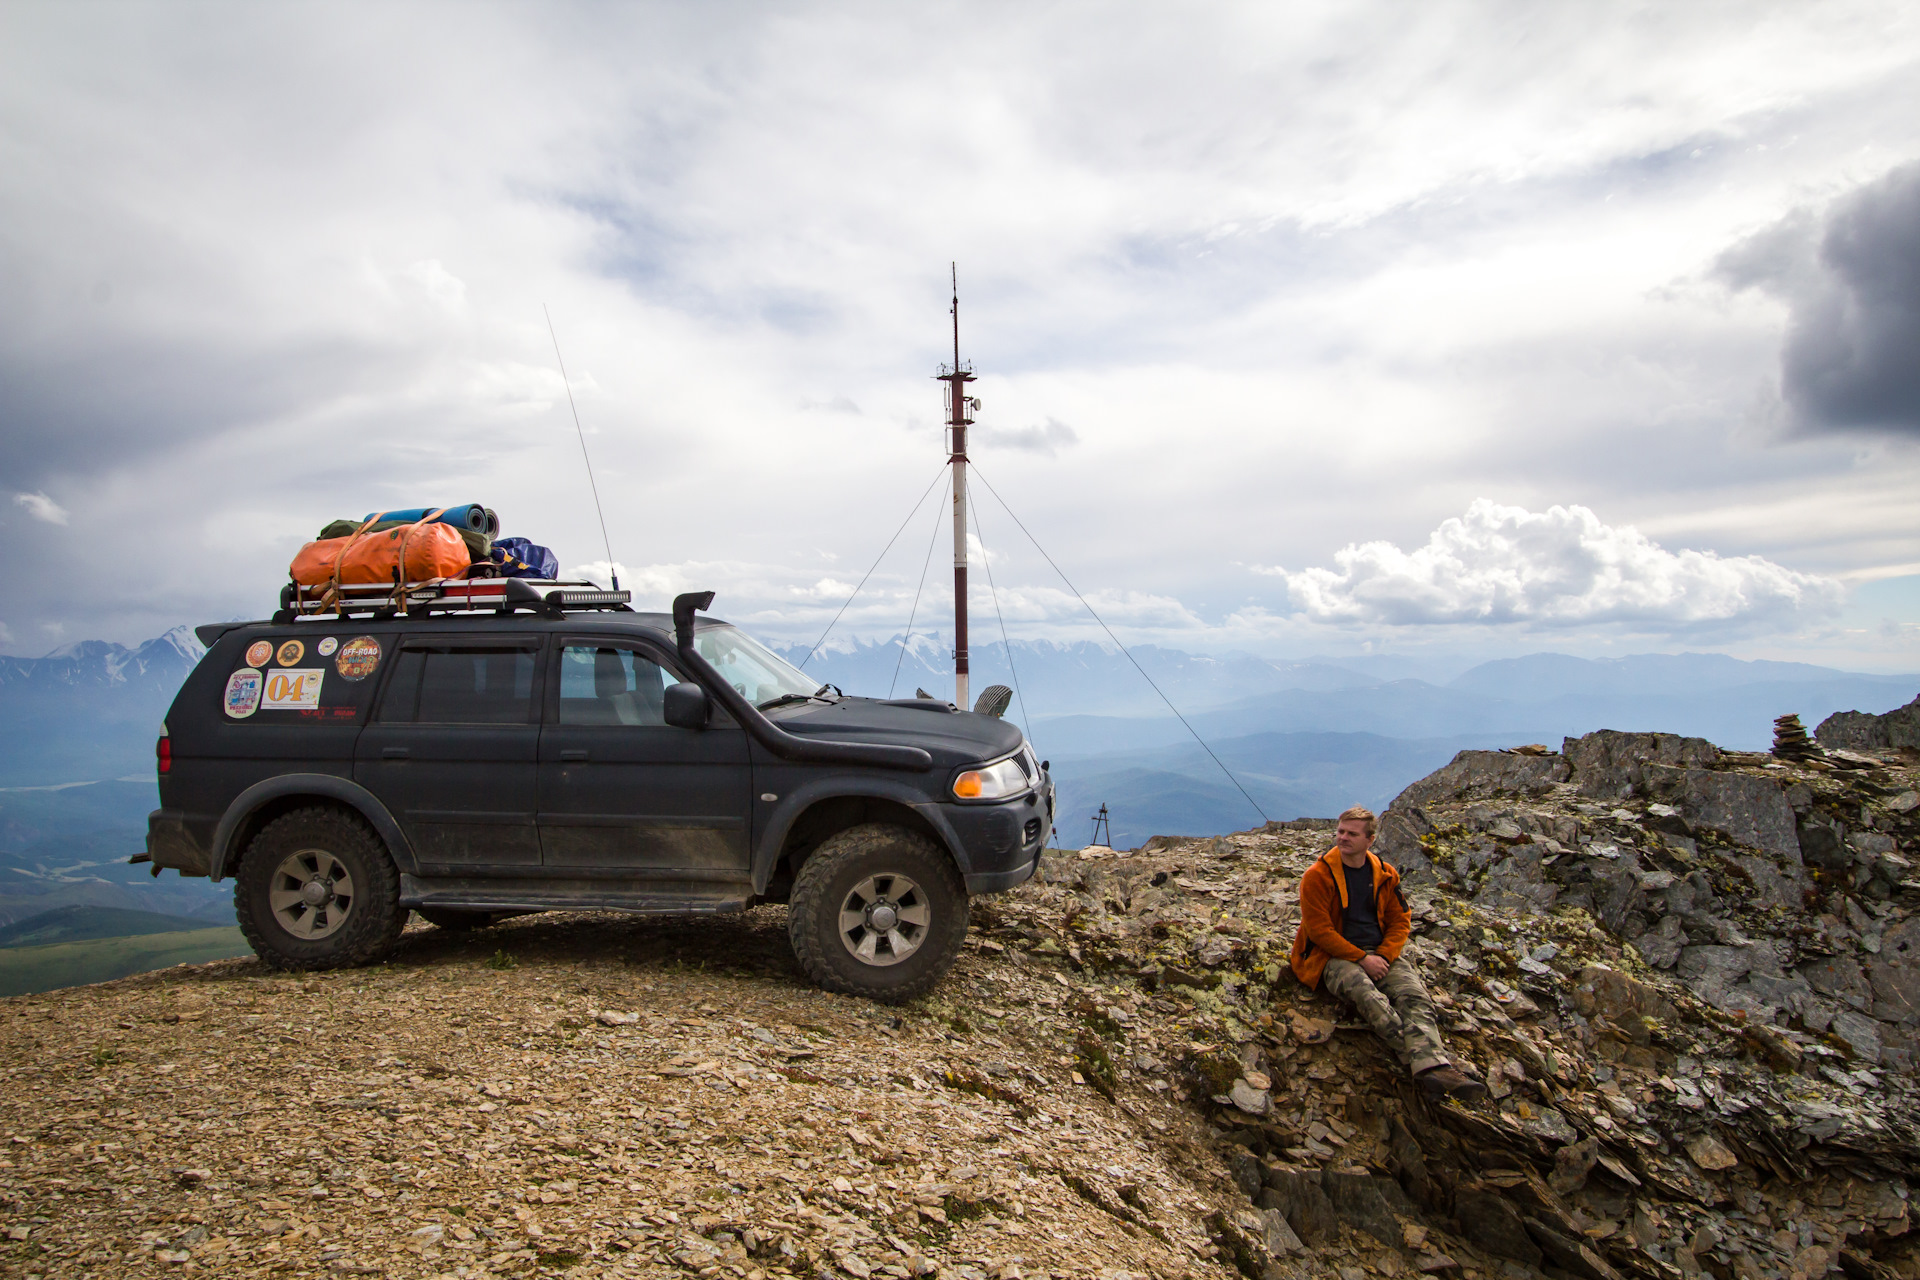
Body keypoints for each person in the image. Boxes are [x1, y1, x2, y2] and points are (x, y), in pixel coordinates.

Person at [1289, 805, 1485, 1099]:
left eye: (1351, 834)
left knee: (1415, 996)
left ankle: (1429, 1069)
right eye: (1341, 831)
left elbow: (1400, 919)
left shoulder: (1385, 874)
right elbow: (1319, 932)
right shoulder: (1318, 875)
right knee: (1367, 995)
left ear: (1370, 840)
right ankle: (1432, 1066)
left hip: (1380, 953)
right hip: (1331, 957)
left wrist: (1384, 955)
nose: (1342, 838)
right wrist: (1363, 959)